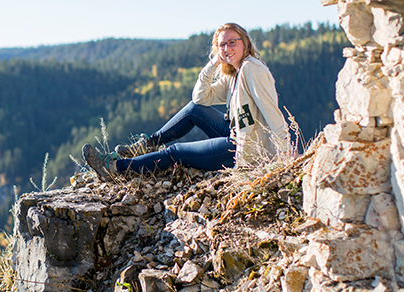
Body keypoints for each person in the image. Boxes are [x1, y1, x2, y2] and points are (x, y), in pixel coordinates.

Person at [82, 23, 290, 180]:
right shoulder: (234, 73)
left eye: (232, 42)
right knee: (194, 110)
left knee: (175, 152)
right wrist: (212, 64)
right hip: (236, 134)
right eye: (221, 45)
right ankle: (146, 145)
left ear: (245, 42)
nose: (227, 48)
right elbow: (200, 98)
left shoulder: (252, 69)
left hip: (245, 149)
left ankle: (115, 168)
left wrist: (285, 151)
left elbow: (271, 111)